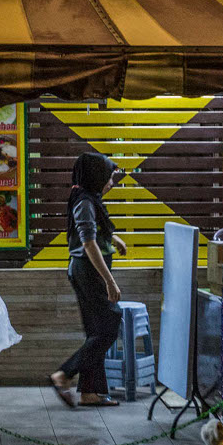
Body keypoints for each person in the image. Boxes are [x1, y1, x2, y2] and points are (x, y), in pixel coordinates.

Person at [49, 152, 128, 408]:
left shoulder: (89, 198)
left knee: (96, 332)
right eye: (108, 177)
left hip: (86, 270)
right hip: (88, 272)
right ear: (96, 177)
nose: (111, 183)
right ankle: (64, 374)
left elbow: (93, 230)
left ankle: (90, 392)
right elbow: (88, 243)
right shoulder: (84, 201)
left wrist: (113, 239)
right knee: (109, 326)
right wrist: (110, 281)